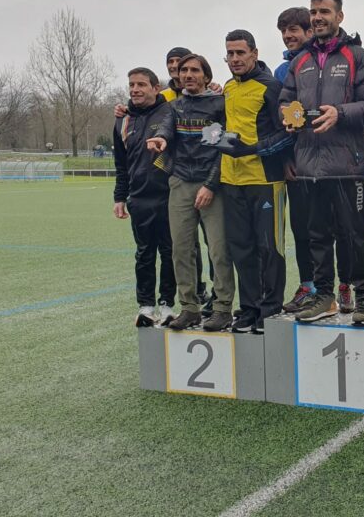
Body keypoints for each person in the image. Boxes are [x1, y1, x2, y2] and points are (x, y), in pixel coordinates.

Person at [279, 0, 364, 325]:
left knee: (355, 236)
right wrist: (288, 116)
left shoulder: (357, 56)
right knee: (318, 237)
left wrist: (340, 113)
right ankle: (324, 296)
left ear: (340, 16)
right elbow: (285, 101)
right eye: (314, 12)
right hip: (310, 166)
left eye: (324, 11)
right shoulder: (300, 61)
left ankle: (363, 295)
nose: (318, 17)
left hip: (348, 165)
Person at [146, 54, 236, 332]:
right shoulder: (175, 106)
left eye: (195, 70)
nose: (188, 74)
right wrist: (161, 138)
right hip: (181, 183)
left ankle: (222, 309)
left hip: (213, 186)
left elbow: (224, 148)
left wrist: (210, 184)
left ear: (206, 76)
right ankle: (189, 308)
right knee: (181, 250)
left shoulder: (220, 104)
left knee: (219, 250)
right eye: (184, 70)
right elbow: (166, 128)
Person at [215, 29, 294, 334]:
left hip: (265, 179)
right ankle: (249, 308)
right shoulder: (227, 88)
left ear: (254, 53)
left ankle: (270, 308)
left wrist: (251, 150)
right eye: (230, 54)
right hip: (231, 179)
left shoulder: (271, 87)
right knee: (241, 247)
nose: (235, 59)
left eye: (240, 53)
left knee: (269, 247)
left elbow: (287, 133)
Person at [112, 67, 176, 328]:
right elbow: (121, 164)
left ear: (155, 88)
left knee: (171, 253)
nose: (135, 89)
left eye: (141, 84)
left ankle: (168, 305)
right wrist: (119, 197)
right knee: (144, 254)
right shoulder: (122, 120)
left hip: (170, 195)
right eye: (131, 85)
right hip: (139, 198)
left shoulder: (170, 112)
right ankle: (146, 306)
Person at [273, 7, 322, 314]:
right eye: (284, 31)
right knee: (302, 228)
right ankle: (309, 285)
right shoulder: (281, 72)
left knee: (336, 230)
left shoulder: (326, 62)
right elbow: (277, 120)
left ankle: (342, 288)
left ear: (310, 31)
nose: (288, 35)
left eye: (293, 29)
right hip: (298, 163)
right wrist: (285, 158)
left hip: (332, 162)